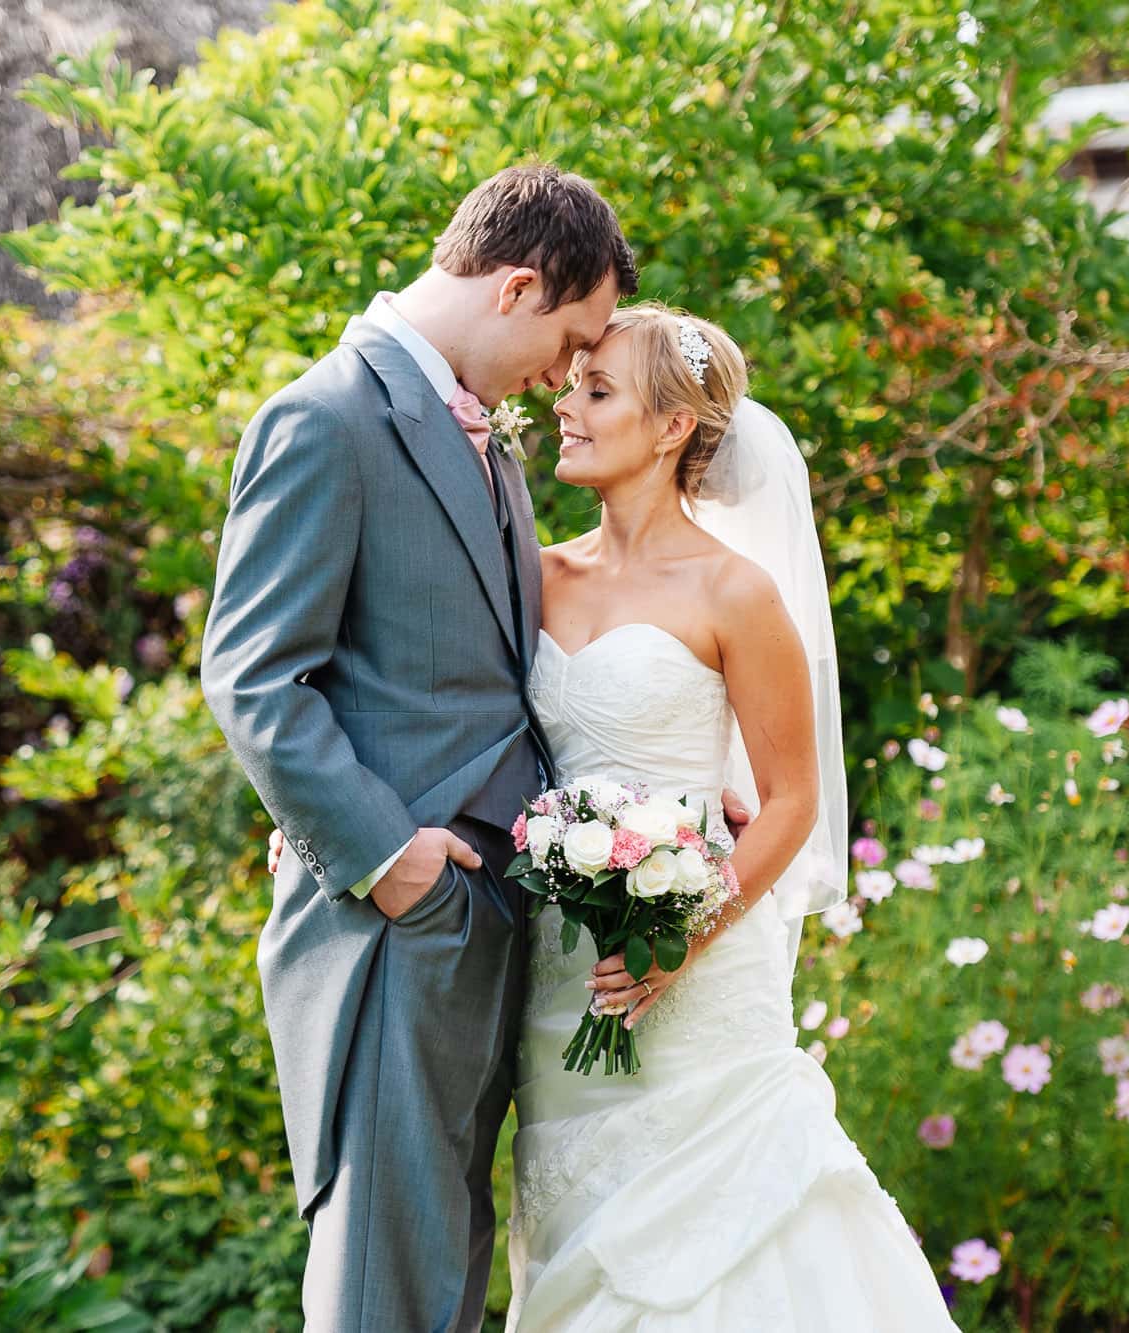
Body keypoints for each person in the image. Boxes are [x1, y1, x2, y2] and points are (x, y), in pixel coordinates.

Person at [200, 163, 634, 1330]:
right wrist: (388, 856)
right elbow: (251, 676)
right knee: (382, 1281)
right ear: (517, 287)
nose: (566, 378)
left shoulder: (482, 434)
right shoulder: (324, 415)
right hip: (391, 922)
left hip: (481, 918)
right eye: (571, 341)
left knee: (443, 1264)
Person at [506, 302, 957, 1330]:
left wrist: (679, 940)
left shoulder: (735, 592)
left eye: (595, 391)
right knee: (579, 1238)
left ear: (670, 429)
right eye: (572, 387)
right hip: (556, 975)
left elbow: (791, 799)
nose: (563, 410)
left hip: (692, 977)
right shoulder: (532, 574)